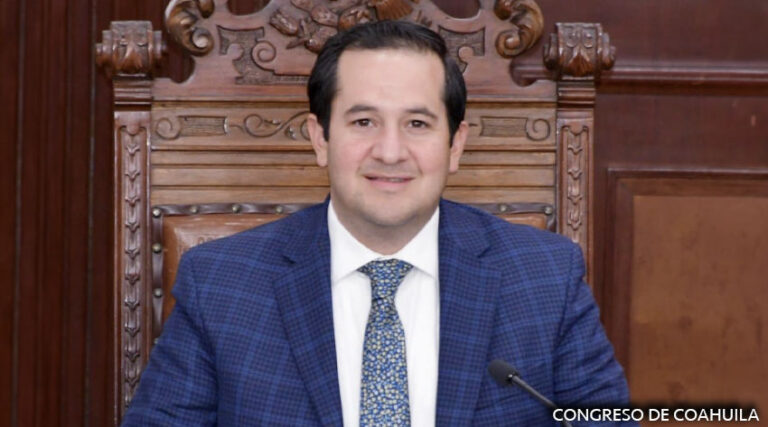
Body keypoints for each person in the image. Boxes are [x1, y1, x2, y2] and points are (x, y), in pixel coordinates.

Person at [123, 20, 633, 426]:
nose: (390, 152)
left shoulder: (545, 277)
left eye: (417, 124)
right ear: (320, 138)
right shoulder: (221, 284)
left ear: (455, 145)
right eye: (364, 122)